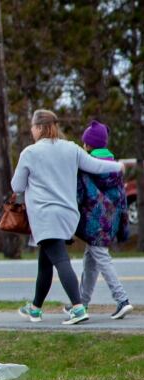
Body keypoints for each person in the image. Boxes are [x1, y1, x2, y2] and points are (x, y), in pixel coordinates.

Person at [12, 109, 124, 325]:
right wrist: (117, 166)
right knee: (45, 262)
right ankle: (35, 308)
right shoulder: (71, 148)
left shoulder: (30, 153)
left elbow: (16, 185)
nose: (32, 131)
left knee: (61, 259)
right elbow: (95, 165)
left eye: (32, 127)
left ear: (39, 128)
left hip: (45, 215)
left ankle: (78, 307)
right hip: (67, 215)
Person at [63, 120, 133, 319]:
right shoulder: (114, 166)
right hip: (111, 220)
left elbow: (79, 193)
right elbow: (121, 197)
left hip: (95, 221)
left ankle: (122, 300)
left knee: (101, 258)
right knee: (90, 261)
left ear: (88, 145)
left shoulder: (87, 166)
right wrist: (122, 224)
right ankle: (82, 303)